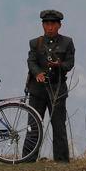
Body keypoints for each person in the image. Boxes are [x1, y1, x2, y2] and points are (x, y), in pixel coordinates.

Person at [22, 9, 75, 162]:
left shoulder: (67, 42)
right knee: (33, 126)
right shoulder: (35, 43)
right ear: (43, 25)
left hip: (57, 90)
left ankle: (62, 161)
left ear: (59, 25)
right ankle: (27, 160)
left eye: (53, 24)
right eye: (46, 24)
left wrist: (59, 65)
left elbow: (70, 64)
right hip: (37, 91)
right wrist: (37, 73)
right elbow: (31, 61)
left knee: (59, 126)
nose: (49, 27)